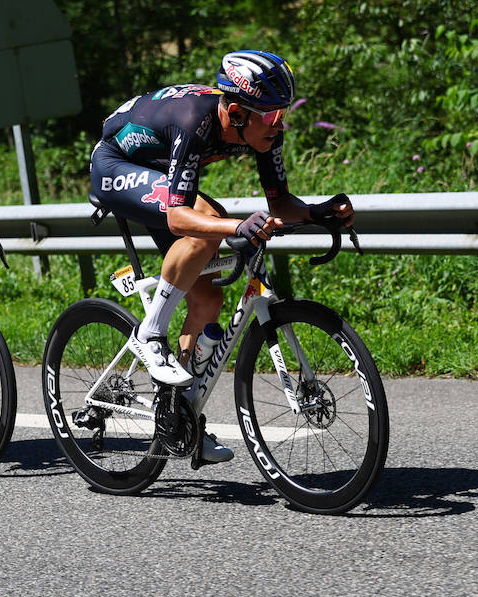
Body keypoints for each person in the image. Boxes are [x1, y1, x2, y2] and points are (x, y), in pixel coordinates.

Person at [89, 50, 355, 463]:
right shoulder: (196, 120)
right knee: (205, 224)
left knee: (208, 299)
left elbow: (280, 202)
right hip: (116, 164)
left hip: (162, 172)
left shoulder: (262, 128)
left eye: (282, 115)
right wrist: (236, 227)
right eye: (270, 118)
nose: (278, 125)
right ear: (235, 111)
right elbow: (179, 217)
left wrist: (319, 213)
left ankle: (180, 417)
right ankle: (151, 334)